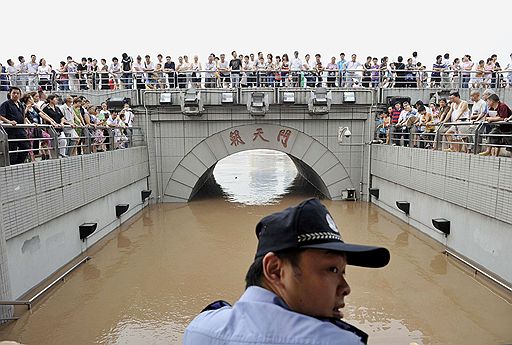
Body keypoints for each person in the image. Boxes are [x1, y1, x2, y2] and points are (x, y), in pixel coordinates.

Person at [183, 198, 390, 345]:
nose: (346, 288)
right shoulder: (336, 340)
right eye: (332, 269)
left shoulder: (199, 328)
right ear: (275, 270)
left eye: (343, 272)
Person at [0, 87, 30, 164]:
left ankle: (18, 163)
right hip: (11, 131)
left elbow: (23, 117)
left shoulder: (21, 105)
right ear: (10, 94)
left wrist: (25, 126)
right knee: (12, 149)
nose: (15, 95)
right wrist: (9, 121)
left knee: (25, 146)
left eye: (17, 93)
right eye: (14, 93)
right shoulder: (6, 104)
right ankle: (13, 165)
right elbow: (1, 115)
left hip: (21, 130)